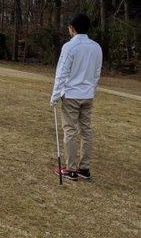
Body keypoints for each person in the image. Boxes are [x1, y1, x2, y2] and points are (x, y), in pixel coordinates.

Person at [50, 14, 102, 181]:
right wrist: (91, 90)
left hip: (72, 95)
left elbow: (61, 72)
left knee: (71, 131)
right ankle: (84, 168)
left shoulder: (70, 46)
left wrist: (55, 95)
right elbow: (96, 73)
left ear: (73, 28)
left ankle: (71, 169)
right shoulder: (96, 47)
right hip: (87, 95)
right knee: (86, 131)